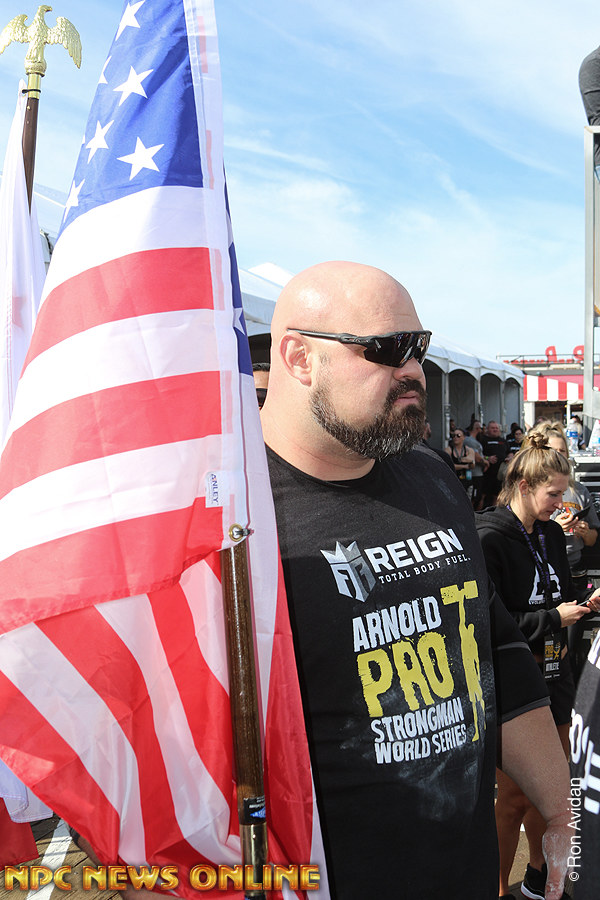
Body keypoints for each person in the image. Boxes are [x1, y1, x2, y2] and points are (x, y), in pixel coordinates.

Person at [260, 260, 573, 900]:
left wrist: (561, 810)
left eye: (419, 348)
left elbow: (495, 650)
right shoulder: (235, 516)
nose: (414, 371)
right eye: (387, 349)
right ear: (298, 357)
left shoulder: (429, 476)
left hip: (464, 873)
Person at [475, 433, 600, 900]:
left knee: (554, 792)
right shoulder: (488, 536)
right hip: (514, 681)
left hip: (555, 672)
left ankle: (537, 877)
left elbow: (559, 594)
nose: (560, 504)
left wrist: (584, 603)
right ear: (525, 486)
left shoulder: (549, 532)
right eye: (553, 494)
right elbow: (490, 621)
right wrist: (552, 619)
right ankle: (496, 888)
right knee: (511, 798)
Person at [480, 420, 507, 507]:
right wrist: (487, 458)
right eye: (492, 428)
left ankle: (494, 512)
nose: (495, 430)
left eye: (496, 428)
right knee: (482, 495)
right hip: (487, 473)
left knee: (497, 496)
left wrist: (510, 458)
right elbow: (478, 455)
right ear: (487, 429)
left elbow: (509, 452)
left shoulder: (503, 441)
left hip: (500, 474)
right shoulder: (482, 440)